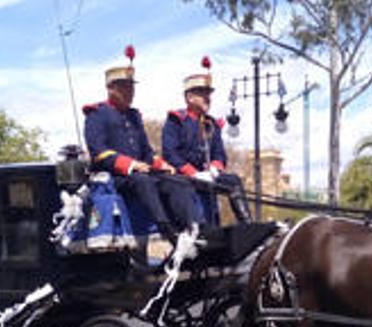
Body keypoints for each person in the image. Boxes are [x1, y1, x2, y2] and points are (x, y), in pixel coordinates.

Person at [83, 49, 201, 243]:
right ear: (111, 88)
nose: (130, 92)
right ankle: (166, 228)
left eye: (132, 87)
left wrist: (160, 164)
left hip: (140, 174)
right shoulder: (97, 114)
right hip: (116, 177)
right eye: (125, 88)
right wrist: (131, 165)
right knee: (143, 180)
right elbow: (98, 151)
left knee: (177, 181)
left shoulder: (134, 116)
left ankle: (193, 227)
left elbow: (146, 151)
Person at [162, 57, 252, 223]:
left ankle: (247, 222)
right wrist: (194, 173)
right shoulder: (176, 120)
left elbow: (220, 154)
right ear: (189, 97)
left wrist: (215, 169)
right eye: (202, 94)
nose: (207, 98)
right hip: (185, 178)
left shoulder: (212, 124)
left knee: (233, 181)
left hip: (209, 176)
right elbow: (170, 153)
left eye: (208, 94)